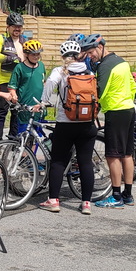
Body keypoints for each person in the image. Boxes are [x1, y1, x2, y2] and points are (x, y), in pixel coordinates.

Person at [38, 40, 98, 215]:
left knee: (58, 161)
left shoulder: (60, 71)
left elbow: (50, 84)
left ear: (63, 56)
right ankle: (86, 203)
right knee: (85, 162)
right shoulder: (89, 72)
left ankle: (53, 200)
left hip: (66, 123)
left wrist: (43, 103)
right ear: (79, 55)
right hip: (87, 123)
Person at [80, 34, 136, 209]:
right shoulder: (122, 62)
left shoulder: (105, 66)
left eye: (91, 52)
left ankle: (116, 196)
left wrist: (91, 109)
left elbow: (99, 91)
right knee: (127, 154)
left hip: (115, 111)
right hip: (128, 109)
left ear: (100, 47)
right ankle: (128, 194)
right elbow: (133, 86)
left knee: (113, 155)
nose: (90, 56)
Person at [0, 12, 27, 140]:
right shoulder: (1, 38)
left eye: (19, 26)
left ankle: (13, 141)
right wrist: (10, 58)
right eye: (14, 26)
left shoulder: (25, 40)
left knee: (17, 113)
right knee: (1, 113)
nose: (17, 29)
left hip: (20, 81)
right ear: (8, 27)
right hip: (4, 81)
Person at [7, 39, 47, 135]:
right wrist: (14, 95)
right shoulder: (20, 68)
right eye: (33, 54)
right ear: (26, 54)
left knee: (37, 137)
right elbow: (12, 87)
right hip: (25, 108)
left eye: (38, 54)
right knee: (24, 136)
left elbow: (44, 83)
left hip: (39, 107)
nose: (36, 57)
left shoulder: (41, 66)